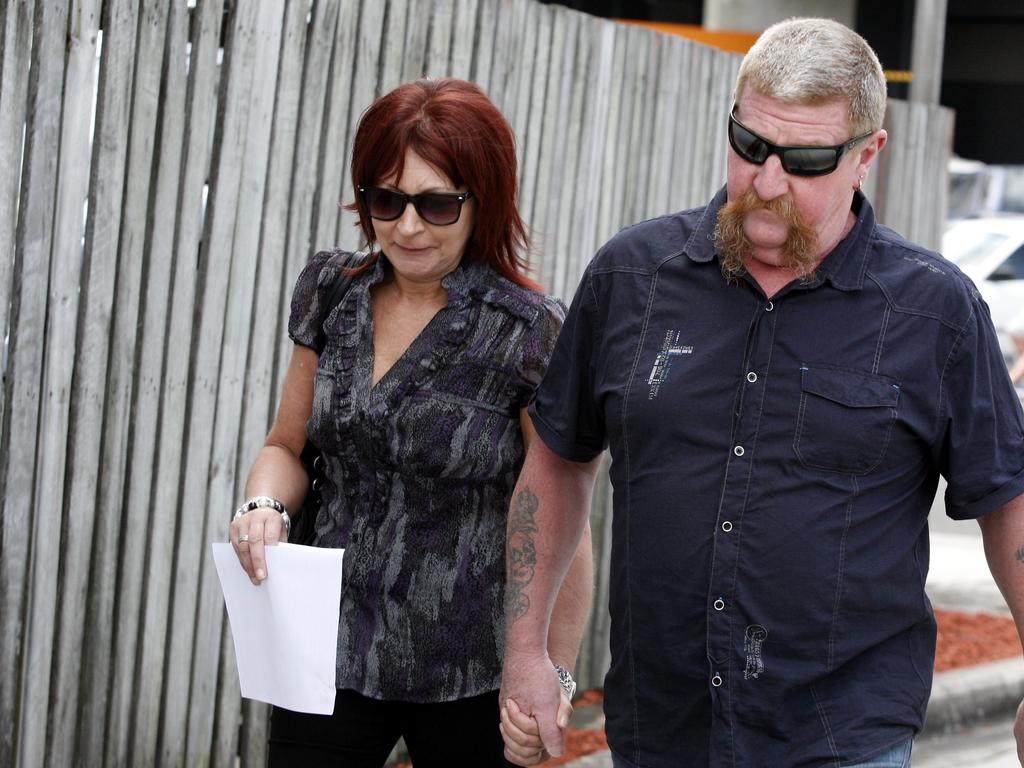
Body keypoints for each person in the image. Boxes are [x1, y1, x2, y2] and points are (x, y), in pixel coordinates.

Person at [499, 18, 1024, 768]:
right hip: (662, 730)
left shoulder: (933, 312)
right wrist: (527, 650)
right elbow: (556, 462)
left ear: (866, 156)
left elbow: (1009, 501)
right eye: (750, 148)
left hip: (842, 737)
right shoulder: (631, 280)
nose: (767, 185)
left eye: (805, 161)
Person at [229, 77, 593, 767]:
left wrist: (551, 674)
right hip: (327, 653)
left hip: (471, 673)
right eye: (386, 199)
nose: (408, 226)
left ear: (482, 200)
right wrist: (263, 503)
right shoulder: (332, 291)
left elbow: (564, 519)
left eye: (436, 202)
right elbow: (286, 443)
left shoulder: (529, 333)